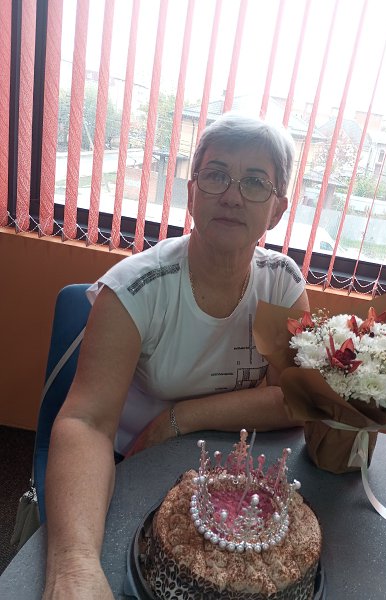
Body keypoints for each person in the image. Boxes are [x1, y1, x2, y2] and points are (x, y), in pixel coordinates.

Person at [42, 113, 310, 599]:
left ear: (277, 210)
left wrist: (180, 418)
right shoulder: (136, 288)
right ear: (192, 193)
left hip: (229, 465)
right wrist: (74, 567)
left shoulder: (282, 284)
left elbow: (292, 400)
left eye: (255, 182)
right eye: (216, 175)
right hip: (132, 458)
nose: (232, 195)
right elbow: (86, 422)